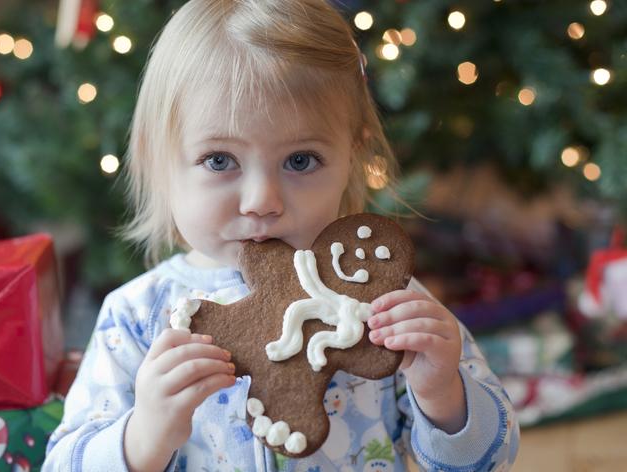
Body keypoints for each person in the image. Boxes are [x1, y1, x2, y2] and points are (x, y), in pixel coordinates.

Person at [43, 1, 520, 470]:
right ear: (158, 159)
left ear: (351, 159)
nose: (261, 200)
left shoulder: (384, 306)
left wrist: (442, 394)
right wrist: (142, 436)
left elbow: (488, 460)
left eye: (300, 161)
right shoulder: (136, 320)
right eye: (219, 160)